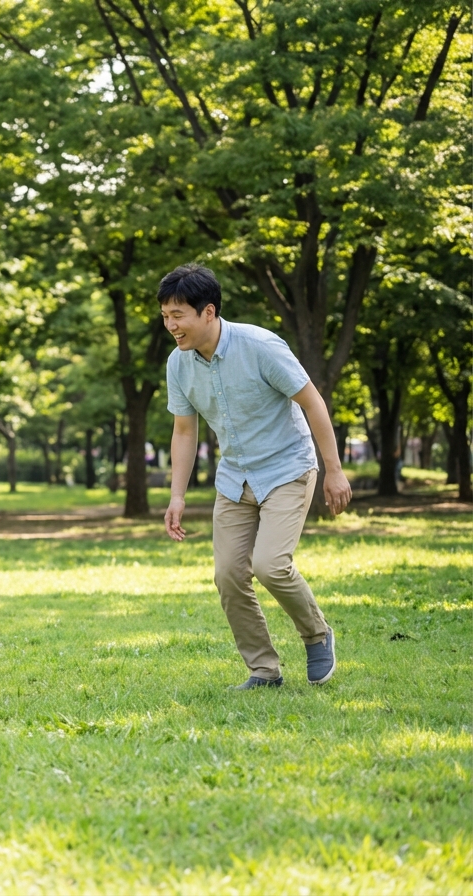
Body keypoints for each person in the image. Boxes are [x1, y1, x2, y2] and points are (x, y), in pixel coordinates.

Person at [159, 263, 351, 689]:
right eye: (166, 316)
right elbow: (184, 431)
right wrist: (177, 496)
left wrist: (334, 471)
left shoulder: (260, 346)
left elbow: (313, 402)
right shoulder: (178, 364)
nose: (171, 325)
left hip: (287, 467)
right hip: (235, 478)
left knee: (270, 565)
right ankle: (263, 669)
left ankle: (317, 634)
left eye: (178, 315)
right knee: (228, 574)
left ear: (208, 312)